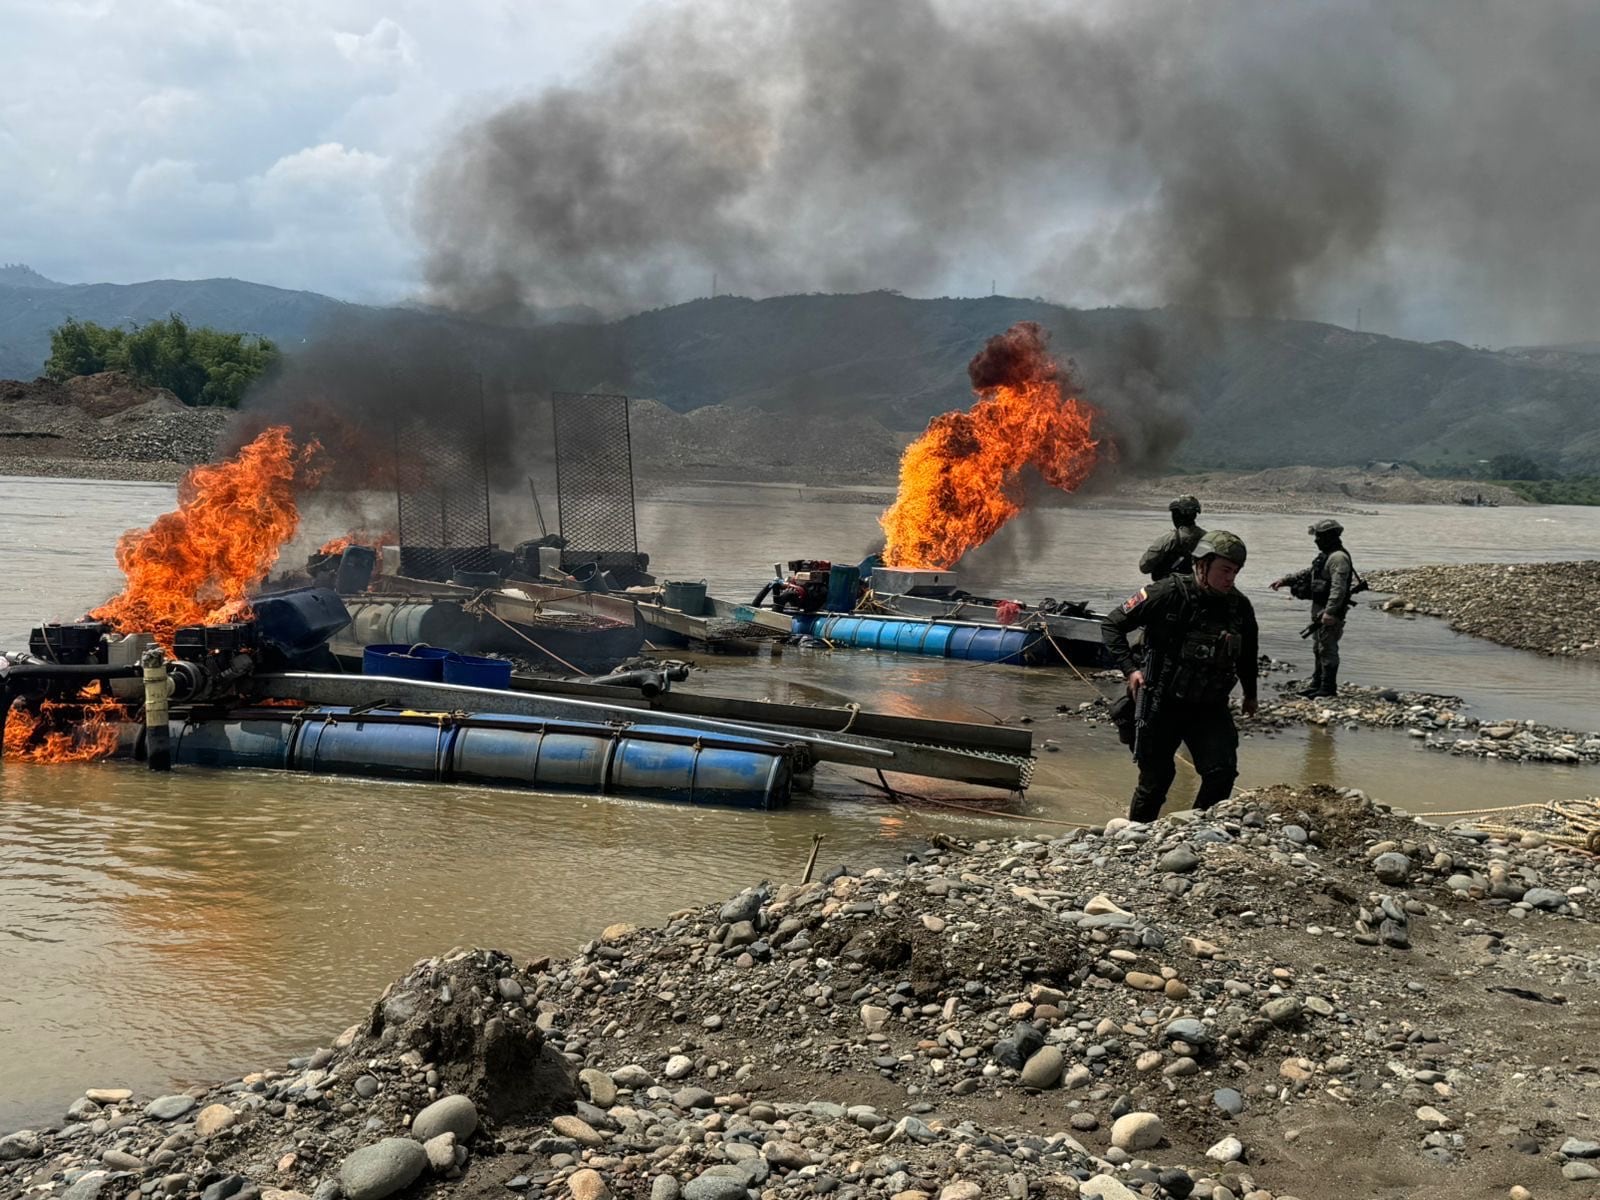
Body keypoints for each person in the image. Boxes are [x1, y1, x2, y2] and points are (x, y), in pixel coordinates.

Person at [1102, 530, 1259, 823]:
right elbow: (1112, 625)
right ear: (1202, 564)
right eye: (1225, 570)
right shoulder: (1166, 593)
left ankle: (1196, 828)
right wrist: (1131, 670)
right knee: (1157, 779)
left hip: (1209, 707)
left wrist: (1251, 694)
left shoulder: (1239, 607)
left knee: (1221, 772)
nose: (1230, 578)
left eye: (1236, 572)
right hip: (1162, 703)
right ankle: (1135, 834)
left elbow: (1248, 655)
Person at [1271, 518, 1354, 698]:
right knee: (1318, 647)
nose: (1316, 540)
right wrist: (1286, 580)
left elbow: (1338, 588)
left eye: (1319, 536)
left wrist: (1330, 612)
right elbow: (1310, 572)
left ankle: (1328, 688)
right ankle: (1317, 683)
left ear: (1330, 536)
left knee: (1327, 648)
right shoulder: (1326, 556)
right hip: (1320, 608)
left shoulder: (1338, 558)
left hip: (1330, 611)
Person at [1139, 495, 1206, 581]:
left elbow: (1144, 566)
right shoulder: (1207, 538)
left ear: (1176, 516)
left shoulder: (1168, 539)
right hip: (1198, 586)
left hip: (1169, 586)